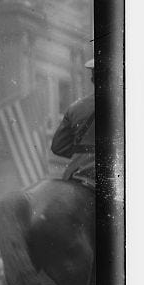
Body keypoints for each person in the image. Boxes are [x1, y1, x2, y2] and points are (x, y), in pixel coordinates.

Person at [51, 57, 95, 191]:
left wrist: (82, 152)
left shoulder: (75, 108)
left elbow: (58, 147)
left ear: (92, 78)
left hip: (76, 170)